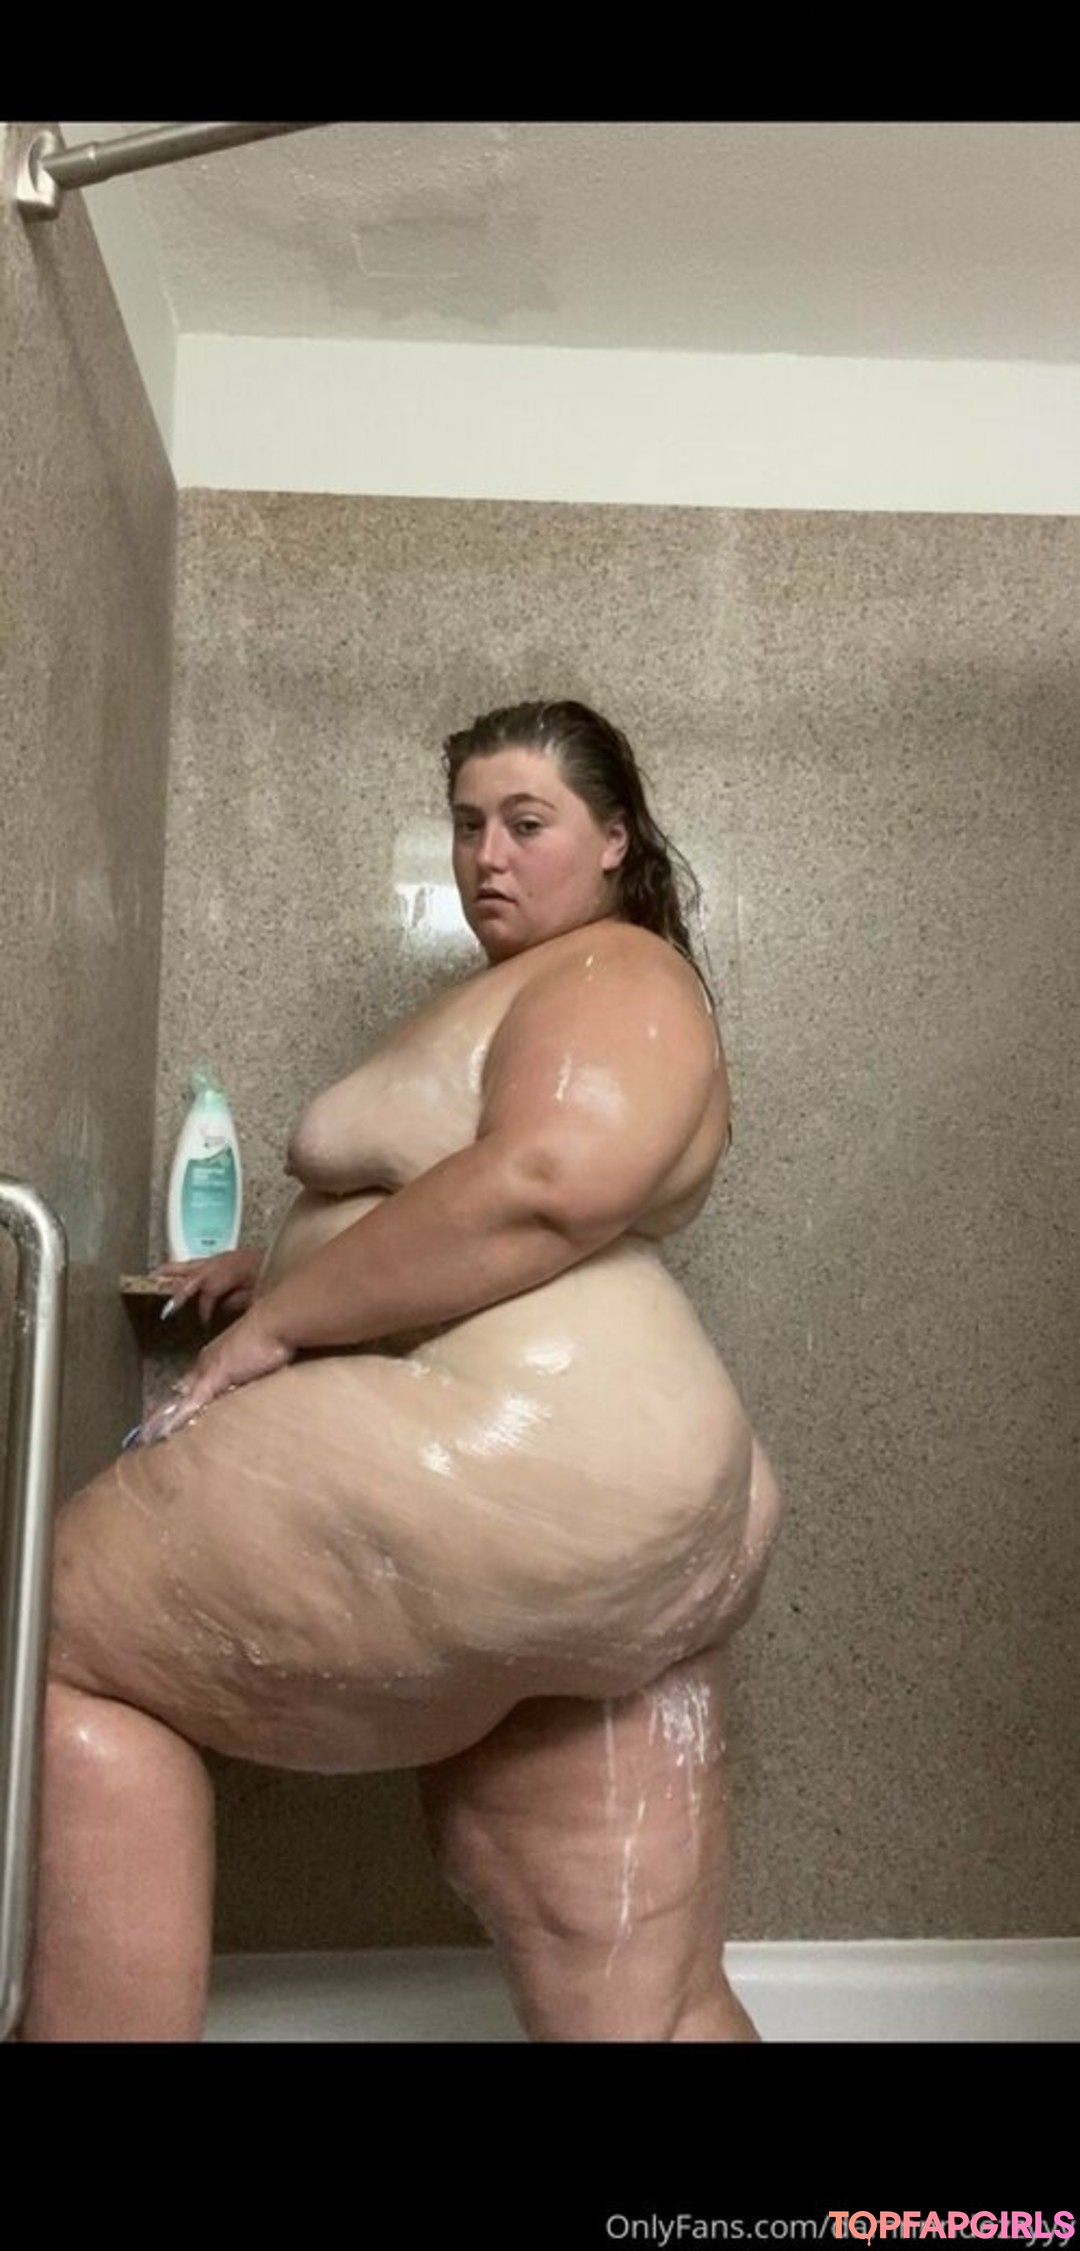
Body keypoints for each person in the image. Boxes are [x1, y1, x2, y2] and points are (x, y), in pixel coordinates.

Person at [22, 698, 783, 2043]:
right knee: (629, 1993)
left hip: (524, 1459)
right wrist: (274, 1264)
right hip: (625, 1506)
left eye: (529, 823)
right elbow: (465, 1197)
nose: (489, 855)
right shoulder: (553, 986)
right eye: (468, 824)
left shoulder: (617, 972)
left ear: (616, 840)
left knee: (61, 1637)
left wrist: (281, 1324)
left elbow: (550, 1181)